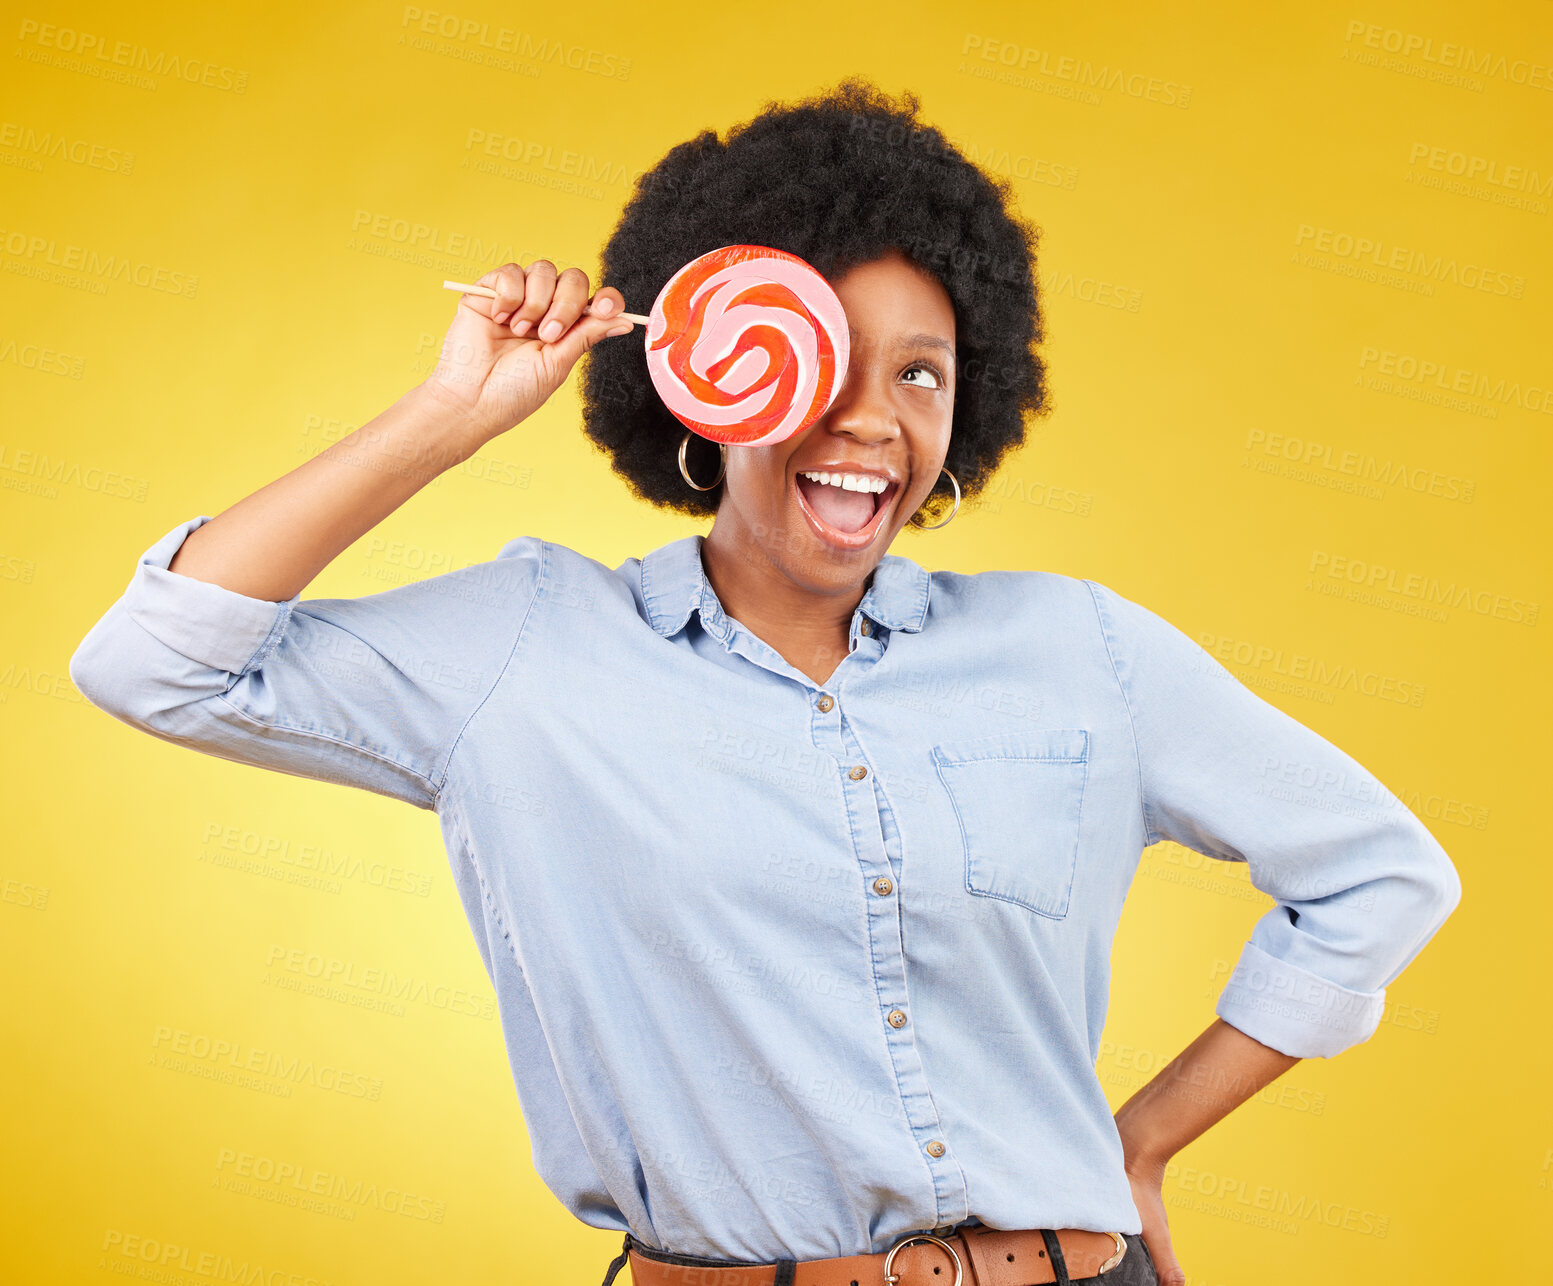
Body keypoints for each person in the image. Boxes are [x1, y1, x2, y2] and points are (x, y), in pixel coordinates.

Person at [69, 78, 1460, 1286]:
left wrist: (1138, 1140)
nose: (870, 416)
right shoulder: (532, 648)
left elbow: (1380, 875)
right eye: (824, 358)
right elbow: (153, 661)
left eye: (921, 373)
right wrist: (448, 418)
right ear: (704, 375)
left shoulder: (1075, 646)